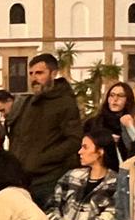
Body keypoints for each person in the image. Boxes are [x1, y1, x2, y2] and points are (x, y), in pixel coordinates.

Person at [5, 53, 83, 207]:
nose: (34, 78)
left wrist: (43, 158)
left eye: (39, 73)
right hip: (23, 180)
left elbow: (74, 140)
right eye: (31, 73)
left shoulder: (65, 103)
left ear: (53, 74)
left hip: (50, 180)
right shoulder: (27, 103)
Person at [85, 80, 135, 161]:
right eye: (112, 95)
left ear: (128, 99)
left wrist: (130, 127)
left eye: (120, 96)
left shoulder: (134, 120)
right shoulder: (94, 123)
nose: (115, 99)